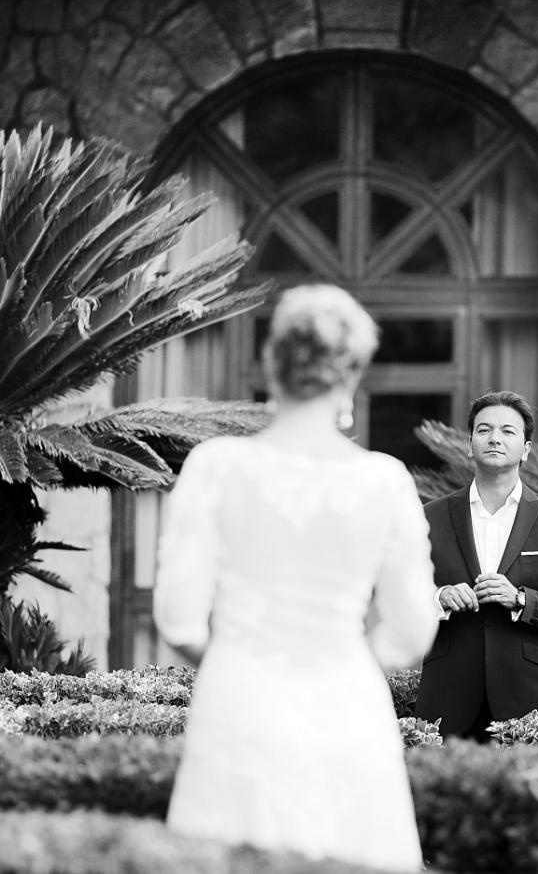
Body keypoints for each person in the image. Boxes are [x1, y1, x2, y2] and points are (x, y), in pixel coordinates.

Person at [153, 284, 438, 871]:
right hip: (346, 704)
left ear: (270, 365)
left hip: (240, 701)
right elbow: (413, 633)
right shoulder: (383, 482)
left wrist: (242, 656)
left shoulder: (216, 468)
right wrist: (342, 661)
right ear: (351, 377)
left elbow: (178, 620)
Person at [415, 390, 538, 741]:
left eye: (508, 431)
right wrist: (439, 598)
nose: (495, 438)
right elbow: (401, 596)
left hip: (524, 699)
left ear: (525, 449)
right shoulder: (430, 516)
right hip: (446, 696)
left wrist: (521, 600)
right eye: (484, 430)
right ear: (470, 444)